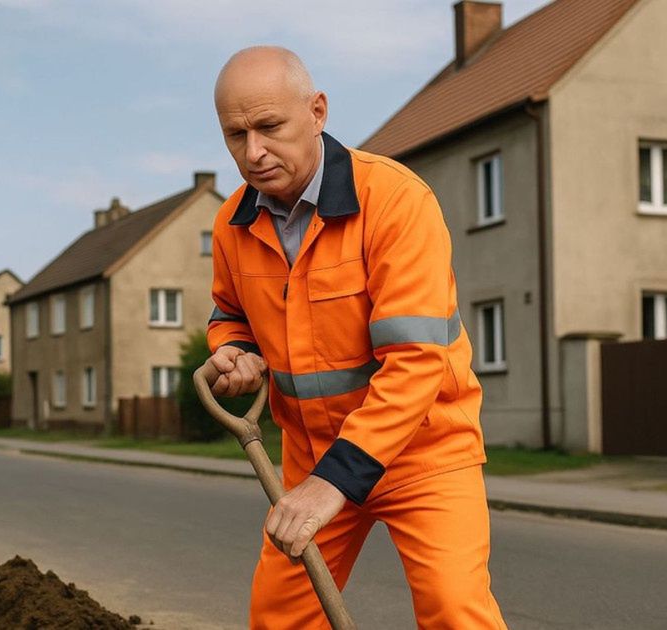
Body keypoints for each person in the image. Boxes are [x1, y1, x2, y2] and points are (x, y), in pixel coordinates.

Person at [206, 46, 508, 630]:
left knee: (454, 610)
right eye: (235, 135)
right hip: (311, 456)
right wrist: (235, 351)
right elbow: (230, 313)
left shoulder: (394, 200)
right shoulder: (232, 223)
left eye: (270, 127)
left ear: (317, 111)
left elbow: (417, 360)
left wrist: (334, 482)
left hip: (424, 452)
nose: (255, 152)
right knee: (278, 618)